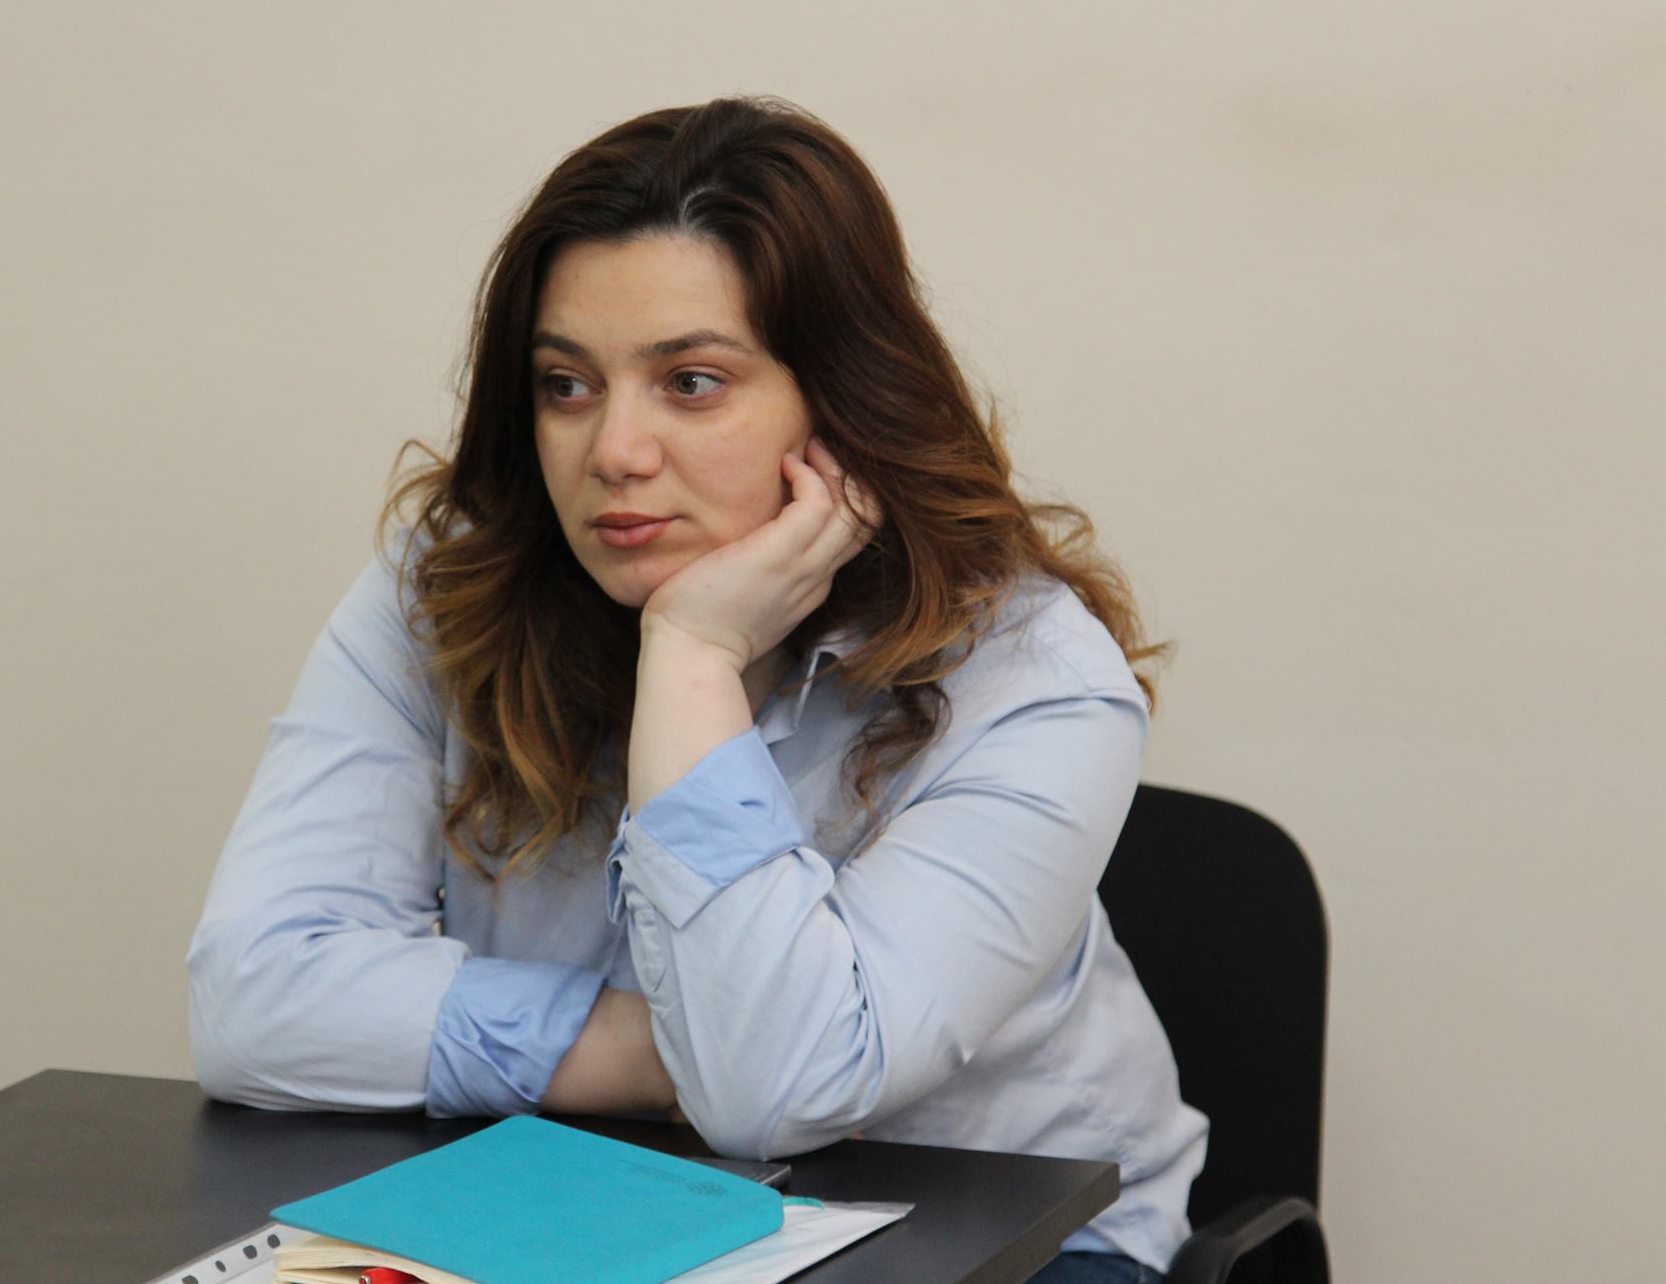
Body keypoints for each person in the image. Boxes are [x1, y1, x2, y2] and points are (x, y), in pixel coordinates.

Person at [187, 96, 1208, 1283]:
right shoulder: (445, 592)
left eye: (689, 382)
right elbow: (251, 999)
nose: (613, 452)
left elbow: (775, 1094)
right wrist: (656, 1051)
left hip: (1008, 1245)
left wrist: (688, 655)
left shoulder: (1031, 673)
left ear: (838, 398)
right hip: (593, 1212)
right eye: (565, 384)